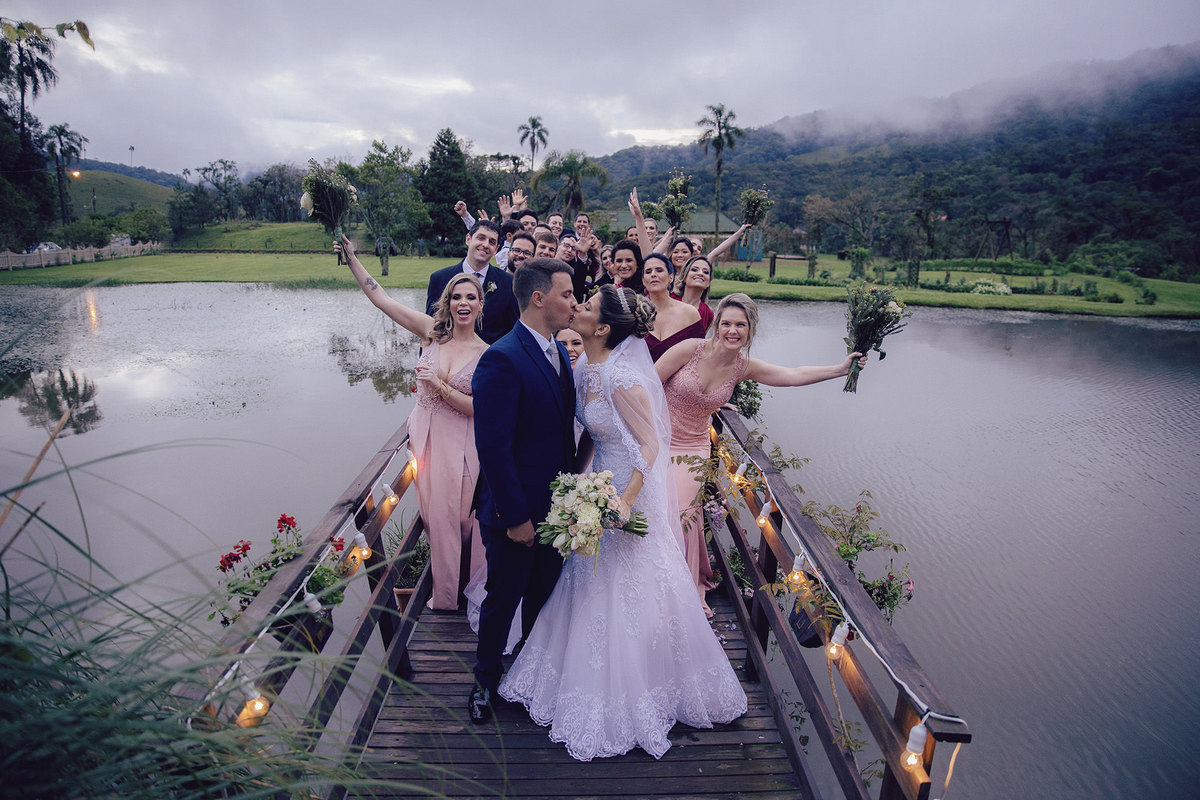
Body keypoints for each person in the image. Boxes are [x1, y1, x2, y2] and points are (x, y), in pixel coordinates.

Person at [500, 284, 748, 761]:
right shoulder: (585, 368)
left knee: (631, 581)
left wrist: (625, 501)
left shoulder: (619, 376)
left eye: (587, 307)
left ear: (604, 327)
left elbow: (651, 444)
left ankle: (648, 683)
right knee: (589, 579)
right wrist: (578, 483)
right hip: (598, 484)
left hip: (630, 492)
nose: (578, 308)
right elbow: (594, 433)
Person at [655, 293, 867, 615]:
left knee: (681, 511)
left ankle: (675, 587)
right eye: (726, 323)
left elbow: (793, 376)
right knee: (654, 508)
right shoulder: (690, 349)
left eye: (740, 325)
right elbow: (647, 383)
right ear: (716, 325)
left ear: (750, 329)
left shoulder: (743, 367)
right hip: (659, 436)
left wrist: (840, 369)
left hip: (693, 447)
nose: (732, 330)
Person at [337, 235, 487, 612]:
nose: (463, 303)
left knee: (466, 523)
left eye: (471, 298)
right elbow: (381, 298)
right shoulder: (431, 333)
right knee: (437, 521)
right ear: (447, 303)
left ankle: (471, 588)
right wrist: (353, 259)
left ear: (481, 305)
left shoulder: (489, 353)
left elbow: (478, 408)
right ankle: (446, 599)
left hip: (464, 444)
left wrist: (438, 386)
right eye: (457, 297)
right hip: (426, 441)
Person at [469, 257, 579, 724]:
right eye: (567, 294)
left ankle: (530, 677)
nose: (574, 302)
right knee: (502, 598)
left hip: (557, 508)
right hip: (512, 512)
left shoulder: (559, 351)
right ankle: (484, 681)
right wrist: (516, 518)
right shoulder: (501, 356)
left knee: (542, 596)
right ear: (539, 298)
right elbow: (493, 448)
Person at [426, 220, 520, 344]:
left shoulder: (508, 283)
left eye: (492, 242)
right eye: (481, 238)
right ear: (468, 239)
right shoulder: (439, 279)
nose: (485, 245)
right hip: (449, 357)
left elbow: (512, 331)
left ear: (496, 249)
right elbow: (431, 327)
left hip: (491, 358)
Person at [642, 253, 705, 362]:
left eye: (659, 270)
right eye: (648, 272)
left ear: (671, 277)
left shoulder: (689, 313)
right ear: (643, 280)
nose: (653, 274)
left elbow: (700, 357)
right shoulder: (637, 313)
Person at [672, 255, 716, 331]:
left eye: (706, 272)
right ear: (684, 277)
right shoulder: (669, 299)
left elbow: (701, 341)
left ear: (708, 282)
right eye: (694, 270)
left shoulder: (708, 314)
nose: (700, 274)